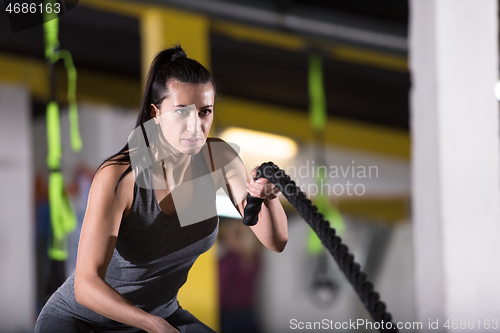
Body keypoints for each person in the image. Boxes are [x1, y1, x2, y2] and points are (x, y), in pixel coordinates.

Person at [34, 45, 288, 333]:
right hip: (84, 322)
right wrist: (152, 325)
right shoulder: (121, 177)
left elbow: (275, 241)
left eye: (205, 112)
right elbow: (85, 285)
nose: (195, 125)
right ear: (156, 113)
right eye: (182, 112)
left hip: (162, 316)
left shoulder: (220, 159)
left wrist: (267, 198)